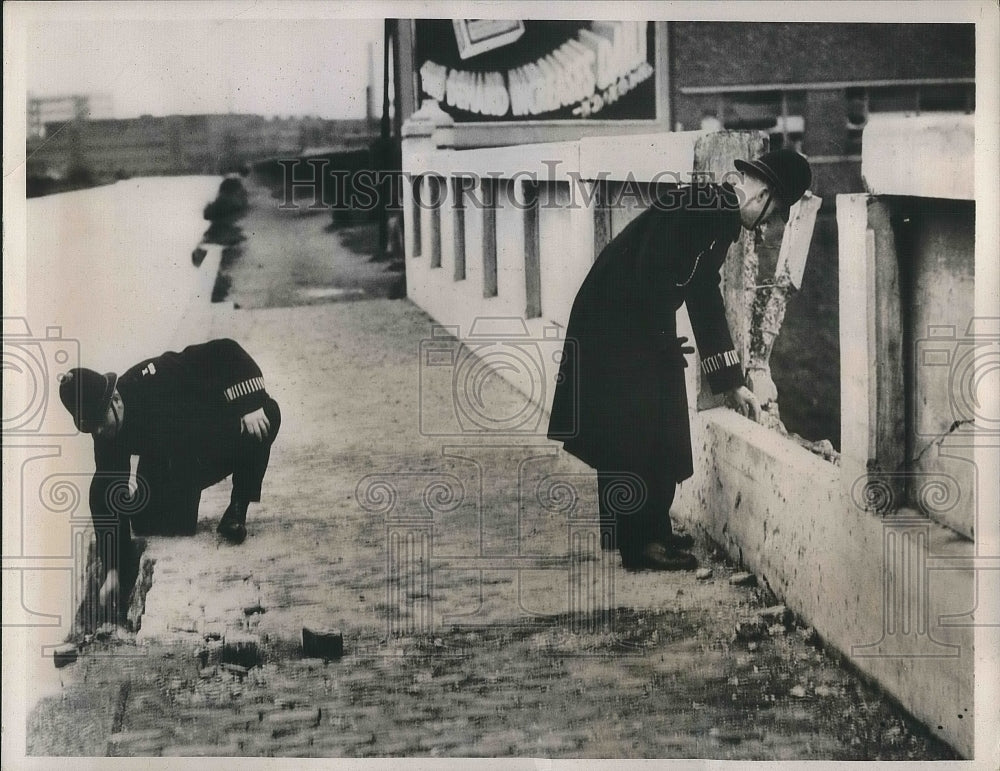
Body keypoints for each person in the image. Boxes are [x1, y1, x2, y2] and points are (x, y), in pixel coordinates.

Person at [547, 149, 812, 571]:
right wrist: (660, 344)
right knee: (646, 422)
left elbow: (700, 291)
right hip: (618, 319)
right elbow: (656, 271)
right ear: (761, 196)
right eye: (773, 213)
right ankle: (643, 545)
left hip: (615, 315)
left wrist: (730, 381)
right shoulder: (710, 212)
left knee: (642, 421)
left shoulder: (713, 210)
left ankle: (641, 532)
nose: (766, 227)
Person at [58, 338, 281, 607]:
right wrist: (112, 570)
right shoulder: (106, 432)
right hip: (177, 463)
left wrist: (250, 403)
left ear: (115, 400)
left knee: (267, 415)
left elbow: (226, 350)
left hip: (213, 435)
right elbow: (105, 492)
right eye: (91, 428)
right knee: (158, 525)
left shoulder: (158, 375)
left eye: (99, 423)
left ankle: (237, 508)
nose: (99, 433)